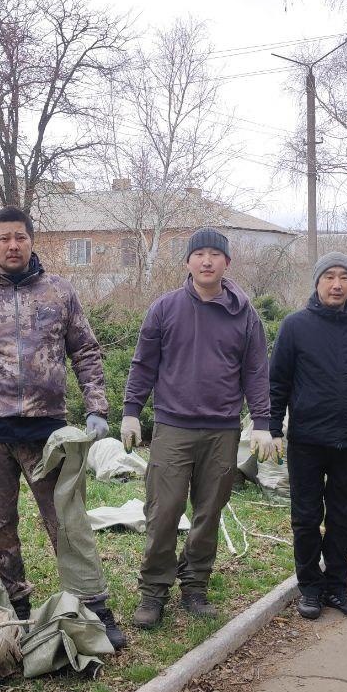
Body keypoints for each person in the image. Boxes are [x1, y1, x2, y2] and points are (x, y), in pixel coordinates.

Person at [0, 206, 126, 650]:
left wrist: (97, 406)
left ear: (32, 240)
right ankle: (16, 607)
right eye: (3, 238)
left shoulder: (60, 292)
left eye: (20, 237)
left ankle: (94, 607)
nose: (13, 245)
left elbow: (85, 351)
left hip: (47, 432)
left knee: (66, 519)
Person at [122, 227, 274, 629]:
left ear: (227, 263)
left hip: (222, 430)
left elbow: (257, 372)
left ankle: (195, 585)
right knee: (163, 511)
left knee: (209, 513)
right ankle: (154, 590)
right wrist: (131, 410)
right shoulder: (165, 308)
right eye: (199, 254)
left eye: (215, 254)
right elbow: (143, 363)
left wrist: (261, 423)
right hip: (173, 427)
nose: (207, 261)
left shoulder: (245, 314)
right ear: (188, 262)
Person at [269, 253, 347, 620]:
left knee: (343, 517)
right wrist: (272, 428)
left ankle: (338, 588)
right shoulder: (295, 325)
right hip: (307, 442)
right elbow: (278, 381)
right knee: (306, 517)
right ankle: (310, 588)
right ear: (317, 283)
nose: (336, 284)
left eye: (344, 277)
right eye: (329, 276)